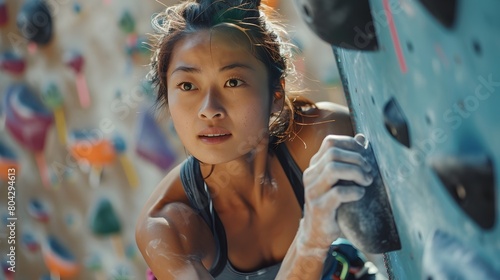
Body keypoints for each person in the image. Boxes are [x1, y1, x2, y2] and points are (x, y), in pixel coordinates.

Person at [135, 0, 379, 279]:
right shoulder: (169, 223)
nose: (209, 109)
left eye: (233, 82)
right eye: (187, 86)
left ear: (275, 95)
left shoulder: (319, 138)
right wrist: (311, 237)